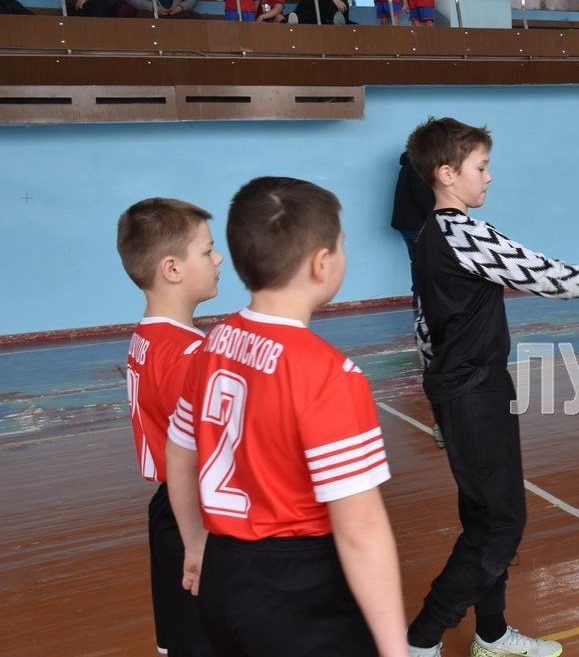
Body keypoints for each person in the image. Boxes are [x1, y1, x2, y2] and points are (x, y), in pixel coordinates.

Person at [403, 116, 579, 657]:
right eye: (481, 167)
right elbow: (543, 274)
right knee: (501, 522)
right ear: (447, 174)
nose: (489, 177)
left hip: (468, 388)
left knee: (485, 515)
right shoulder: (461, 233)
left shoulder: (429, 236)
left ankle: (492, 632)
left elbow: (423, 326)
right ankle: (419, 640)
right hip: (474, 390)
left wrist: (437, 395)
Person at [165, 177, 408, 656]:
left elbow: (179, 452)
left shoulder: (212, 342)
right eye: (340, 246)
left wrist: (195, 546)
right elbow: (361, 531)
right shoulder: (329, 375)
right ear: (322, 264)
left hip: (223, 573)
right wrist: (396, 650)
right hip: (299, 595)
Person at [116, 197, 221, 657]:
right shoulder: (187, 356)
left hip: (168, 508)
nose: (218, 259)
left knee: (182, 639)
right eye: (207, 250)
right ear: (173, 269)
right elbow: (210, 450)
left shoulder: (147, 337)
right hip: (196, 513)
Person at [389, 150, 444, 449]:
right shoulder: (419, 166)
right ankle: (423, 316)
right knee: (424, 269)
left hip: (407, 223)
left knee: (419, 268)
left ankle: (421, 310)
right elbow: (427, 201)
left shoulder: (411, 163)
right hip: (415, 224)